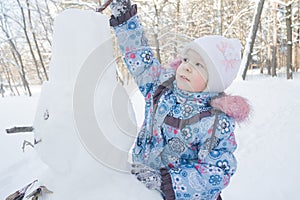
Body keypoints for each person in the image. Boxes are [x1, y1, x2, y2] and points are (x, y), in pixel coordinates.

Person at [99, 1, 250, 199]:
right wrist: (126, 19)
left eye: (199, 65)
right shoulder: (160, 87)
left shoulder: (215, 122)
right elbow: (141, 58)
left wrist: (167, 181)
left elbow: (218, 171)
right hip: (143, 187)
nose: (186, 67)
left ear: (213, 82)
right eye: (186, 60)